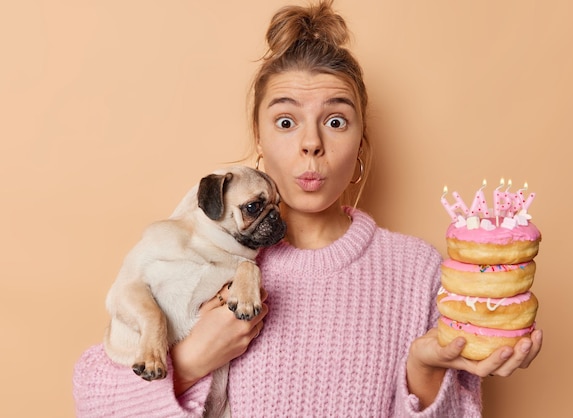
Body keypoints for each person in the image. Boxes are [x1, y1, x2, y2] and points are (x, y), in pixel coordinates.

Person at [73, 1, 542, 416]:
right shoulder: (210, 260)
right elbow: (94, 402)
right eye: (285, 121)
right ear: (258, 138)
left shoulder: (419, 273)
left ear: (361, 142)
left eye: (335, 121)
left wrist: (422, 368)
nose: (311, 143)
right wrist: (193, 360)